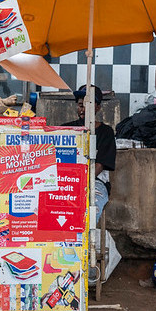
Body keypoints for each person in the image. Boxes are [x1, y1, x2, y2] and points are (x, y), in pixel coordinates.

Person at [62, 85, 116, 224]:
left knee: (90, 211)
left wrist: (80, 182)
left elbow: (100, 165)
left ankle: (86, 244)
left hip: (95, 183)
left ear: (98, 107)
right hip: (66, 182)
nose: (83, 109)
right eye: (80, 105)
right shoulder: (66, 129)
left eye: (88, 105)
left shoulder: (106, 132)